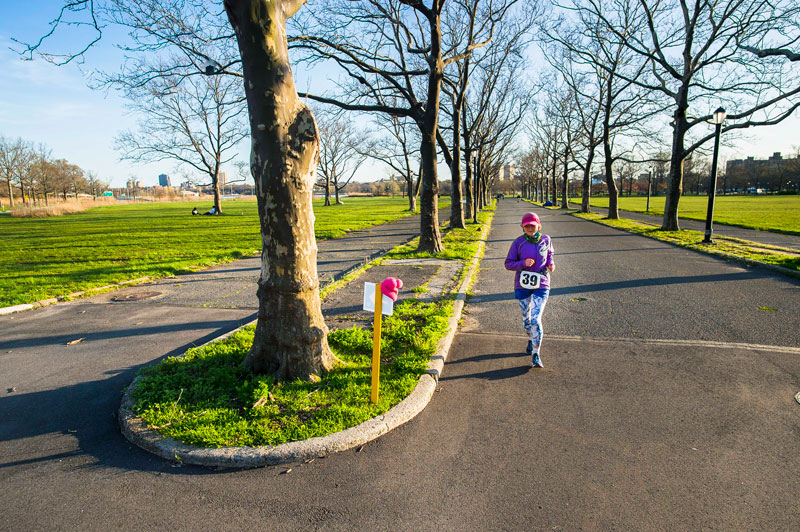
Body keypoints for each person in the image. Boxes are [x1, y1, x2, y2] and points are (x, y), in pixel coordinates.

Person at [504, 212, 555, 368]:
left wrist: (551, 263)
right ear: (523, 227)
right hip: (523, 284)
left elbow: (550, 253)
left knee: (535, 318)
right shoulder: (518, 243)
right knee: (526, 319)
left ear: (538, 225)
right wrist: (523, 263)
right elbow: (508, 264)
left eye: (533, 225)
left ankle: (536, 354)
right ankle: (531, 338)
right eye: (527, 226)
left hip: (542, 282)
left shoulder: (546, 239)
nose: (530, 228)